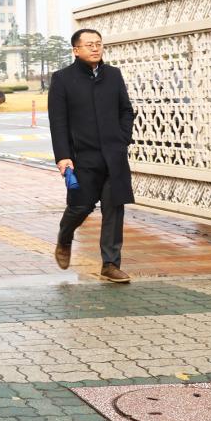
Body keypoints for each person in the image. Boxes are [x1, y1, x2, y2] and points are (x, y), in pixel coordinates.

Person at [48, 28, 135, 283]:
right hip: (82, 157)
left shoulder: (113, 75)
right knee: (80, 207)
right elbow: (58, 122)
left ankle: (110, 263)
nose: (95, 48)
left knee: (114, 209)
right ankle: (65, 238)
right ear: (76, 50)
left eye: (98, 44)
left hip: (114, 156)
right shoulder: (63, 79)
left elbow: (126, 110)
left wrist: (122, 138)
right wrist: (63, 156)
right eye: (89, 45)